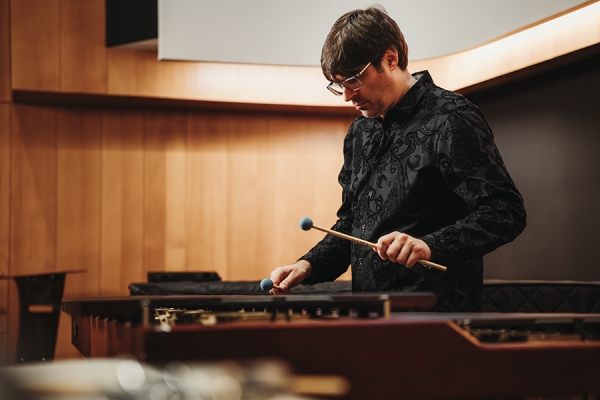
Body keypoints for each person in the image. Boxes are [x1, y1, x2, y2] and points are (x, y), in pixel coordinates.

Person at [269, 5, 526, 311]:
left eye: (353, 80)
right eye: (339, 85)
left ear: (390, 59)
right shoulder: (359, 132)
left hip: (437, 319)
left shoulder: (450, 118)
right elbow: (353, 224)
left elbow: (505, 211)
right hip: (369, 318)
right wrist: (308, 265)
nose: (347, 96)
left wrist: (430, 245)